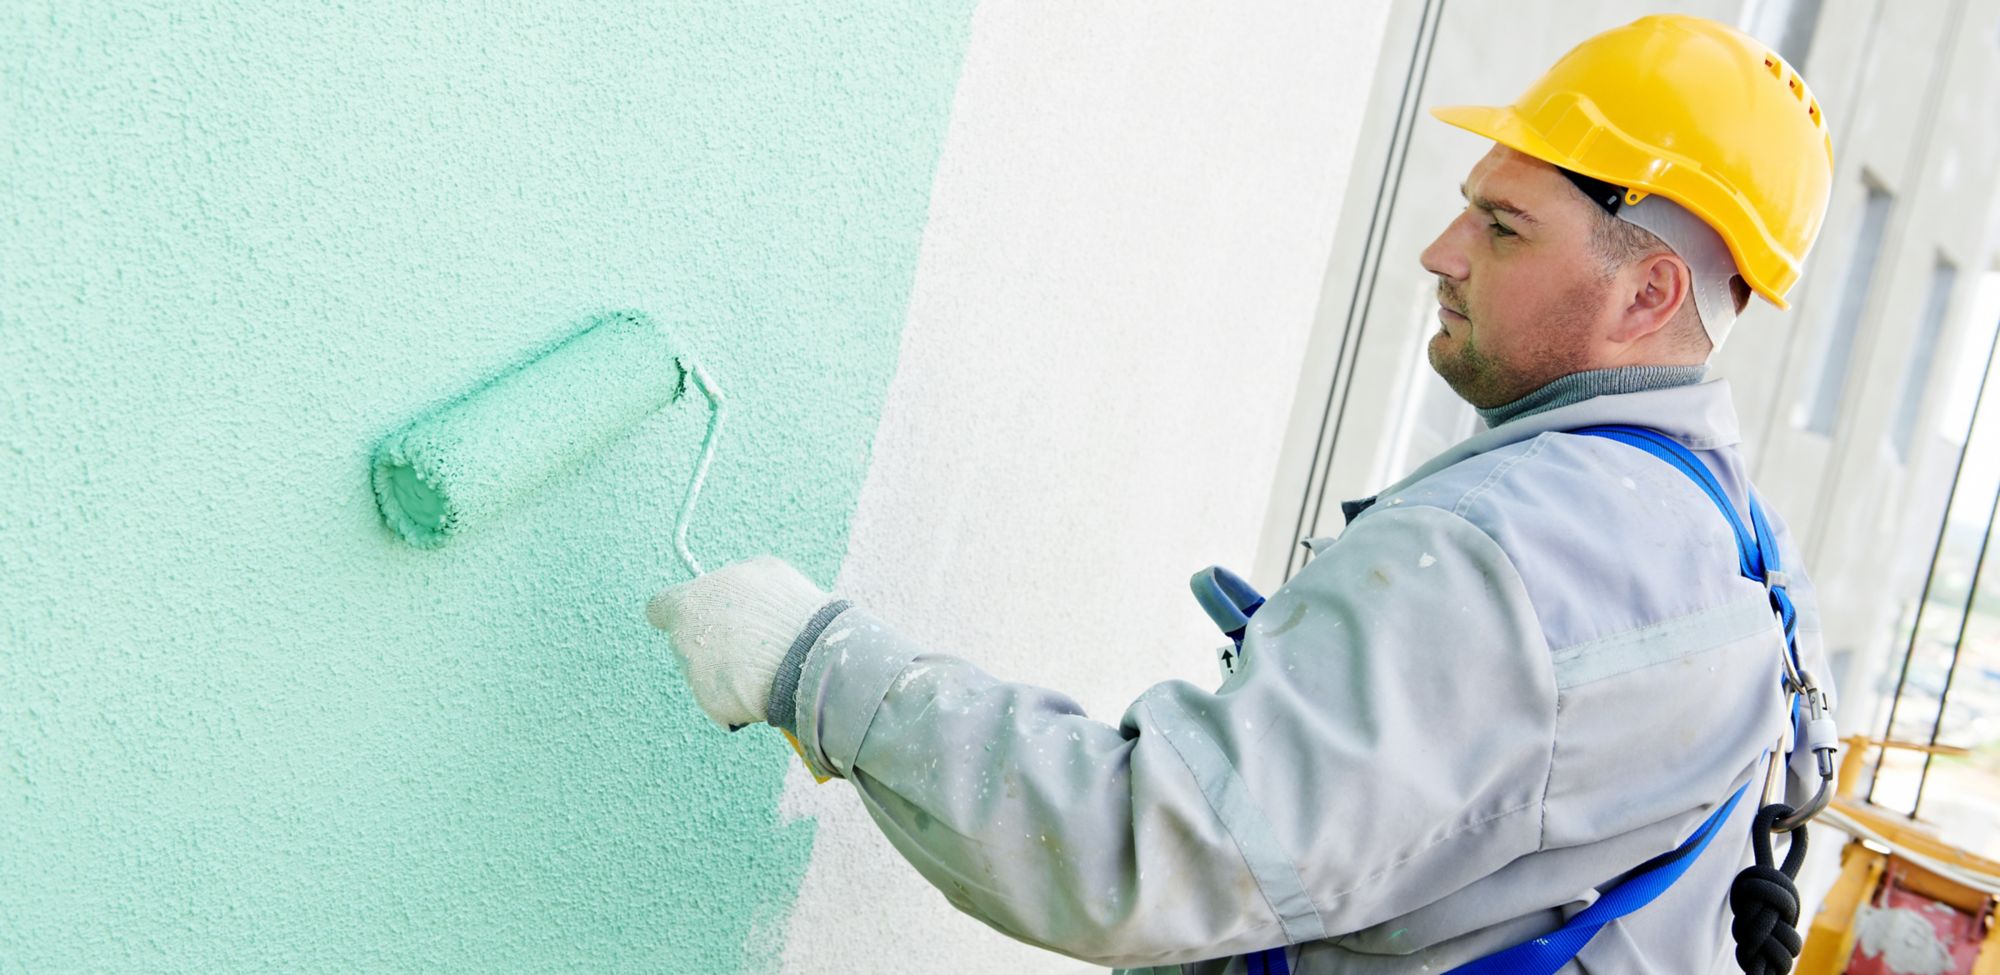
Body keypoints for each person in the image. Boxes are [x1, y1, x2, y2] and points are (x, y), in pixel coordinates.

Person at [648, 14, 1840, 973]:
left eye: (1501, 224)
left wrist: (810, 666)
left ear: (1645, 295)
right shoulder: (1724, 542)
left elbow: (1139, 857)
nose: (1440, 251)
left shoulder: (1511, 559)